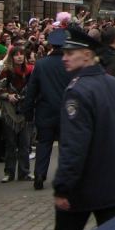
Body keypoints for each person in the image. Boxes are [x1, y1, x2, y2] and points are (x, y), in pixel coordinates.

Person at [40, 27, 115, 230]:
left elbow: (74, 146)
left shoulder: (78, 91)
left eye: (70, 53)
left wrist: (63, 186)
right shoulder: (112, 83)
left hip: (87, 186)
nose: (64, 58)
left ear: (87, 55)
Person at [23, 29, 70, 190]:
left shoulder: (41, 64)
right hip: (66, 112)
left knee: (44, 144)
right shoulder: (70, 64)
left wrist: (28, 112)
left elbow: (32, 90)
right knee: (65, 145)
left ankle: (39, 175)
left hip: (45, 110)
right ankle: (64, 177)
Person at [0, 46, 32, 183]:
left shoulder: (30, 71)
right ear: (12, 57)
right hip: (9, 112)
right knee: (10, 144)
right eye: (16, 54)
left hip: (25, 110)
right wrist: (8, 96)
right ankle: (9, 173)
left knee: (24, 144)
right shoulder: (6, 72)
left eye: (22, 54)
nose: (19, 57)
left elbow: (34, 89)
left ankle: (24, 172)